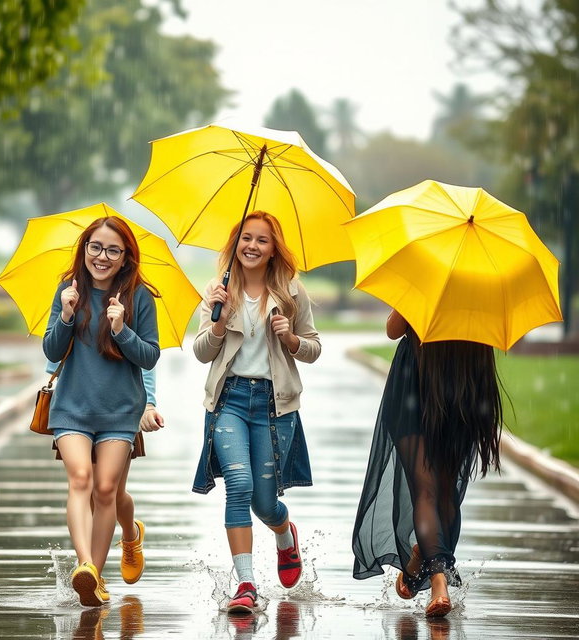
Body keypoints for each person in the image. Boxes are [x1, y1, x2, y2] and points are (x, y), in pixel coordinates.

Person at [192, 211, 321, 612]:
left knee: (265, 503)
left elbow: (314, 349)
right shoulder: (219, 290)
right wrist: (218, 322)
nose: (252, 246)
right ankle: (246, 584)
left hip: (273, 406)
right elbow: (201, 352)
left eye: (262, 240)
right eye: (246, 238)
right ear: (235, 243)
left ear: (273, 249)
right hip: (229, 400)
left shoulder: (291, 293)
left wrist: (292, 338)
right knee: (239, 484)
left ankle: (284, 535)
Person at [352, 309, 504, 617]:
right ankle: (439, 582)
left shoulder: (453, 281)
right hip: (417, 387)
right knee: (427, 488)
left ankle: (424, 552)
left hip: (460, 387)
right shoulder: (472, 281)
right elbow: (394, 330)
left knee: (444, 491)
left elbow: (394, 330)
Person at [43, 215, 160, 606]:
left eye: (113, 250)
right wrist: (66, 314)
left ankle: (99, 565)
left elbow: (149, 356)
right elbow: (51, 351)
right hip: (73, 407)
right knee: (81, 479)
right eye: (95, 247)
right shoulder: (68, 290)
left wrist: (122, 328)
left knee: (107, 488)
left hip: (118, 411)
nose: (102, 256)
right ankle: (87, 569)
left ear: (126, 256)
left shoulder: (139, 297)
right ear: (85, 249)